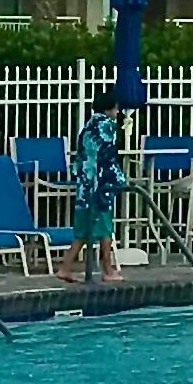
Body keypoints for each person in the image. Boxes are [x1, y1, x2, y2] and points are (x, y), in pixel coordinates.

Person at [65, 99, 128, 286]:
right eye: (116, 109)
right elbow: (108, 157)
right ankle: (107, 270)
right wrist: (120, 180)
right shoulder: (107, 126)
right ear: (109, 109)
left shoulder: (88, 127)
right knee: (105, 227)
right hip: (100, 185)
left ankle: (65, 267)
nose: (117, 112)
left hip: (85, 184)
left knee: (84, 229)